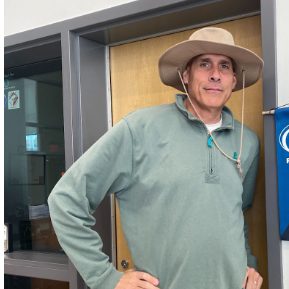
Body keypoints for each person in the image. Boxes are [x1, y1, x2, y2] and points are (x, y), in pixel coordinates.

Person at [48, 27, 264, 289]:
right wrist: (105, 278)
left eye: (225, 66)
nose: (215, 75)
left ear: (234, 79)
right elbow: (65, 200)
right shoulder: (139, 129)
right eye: (204, 64)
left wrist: (249, 261)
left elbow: (234, 214)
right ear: (185, 75)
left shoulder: (248, 141)